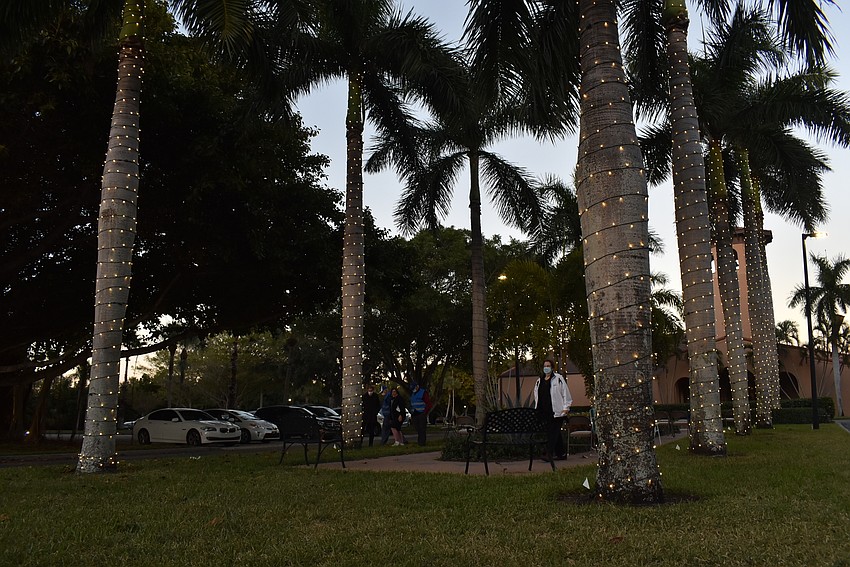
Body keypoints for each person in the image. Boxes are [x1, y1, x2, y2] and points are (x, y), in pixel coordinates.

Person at [533, 358, 572, 461]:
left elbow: (565, 393)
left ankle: (548, 453)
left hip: (557, 411)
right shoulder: (539, 381)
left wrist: (566, 408)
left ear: (552, 367)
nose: (546, 368)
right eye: (545, 366)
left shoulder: (558, 378)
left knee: (553, 432)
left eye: (548, 366)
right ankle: (561, 454)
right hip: (544, 412)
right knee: (554, 433)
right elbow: (537, 396)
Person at [409, 381, 432, 446]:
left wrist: (425, 412)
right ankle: (420, 441)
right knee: (417, 428)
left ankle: (422, 443)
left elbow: (429, 404)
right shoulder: (413, 394)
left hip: (421, 413)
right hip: (415, 413)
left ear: (417, 386)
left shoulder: (423, 393)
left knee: (422, 429)